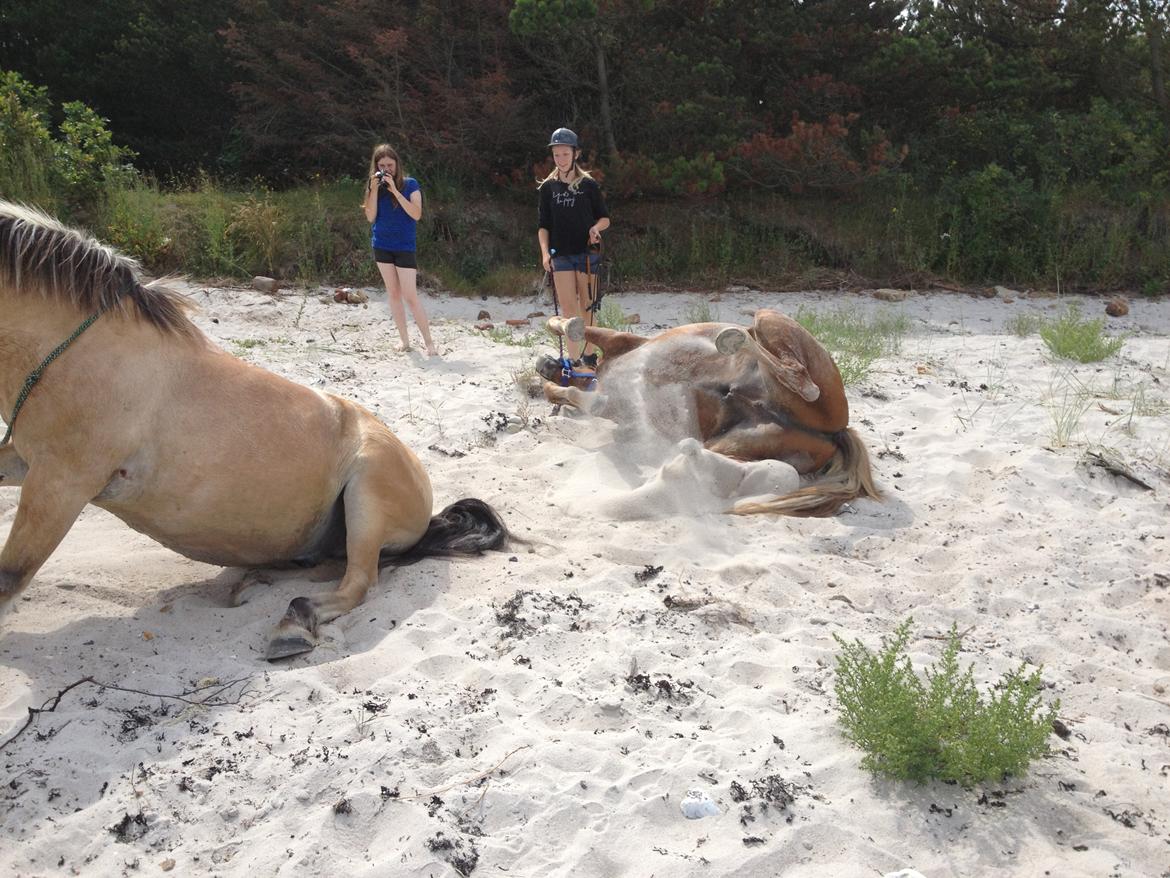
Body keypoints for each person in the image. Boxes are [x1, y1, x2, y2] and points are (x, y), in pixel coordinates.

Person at [537, 128, 610, 365]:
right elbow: (543, 225)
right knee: (569, 313)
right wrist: (545, 253)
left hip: (586, 254)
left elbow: (605, 217)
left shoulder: (588, 185)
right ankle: (572, 360)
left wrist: (596, 228)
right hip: (561, 256)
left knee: (588, 309)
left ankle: (589, 357)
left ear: (575, 154)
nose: (560, 159)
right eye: (557, 155)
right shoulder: (548, 188)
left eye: (565, 154)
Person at [363, 143, 438, 356]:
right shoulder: (373, 186)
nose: (386, 169)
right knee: (393, 294)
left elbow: (416, 214)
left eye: (390, 165)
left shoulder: (410, 184)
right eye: (382, 165)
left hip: (404, 246)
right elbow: (370, 217)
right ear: (376, 166)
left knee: (410, 296)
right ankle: (404, 341)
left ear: (397, 164)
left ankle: (429, 342)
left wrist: (394, 190)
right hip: (382, 245)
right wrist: (375, 190)